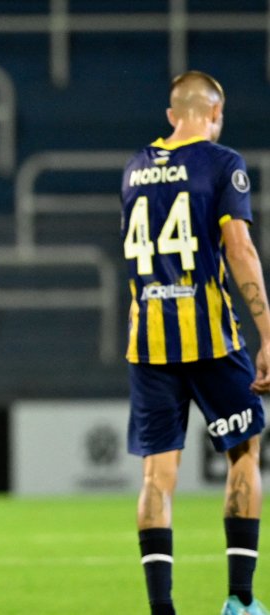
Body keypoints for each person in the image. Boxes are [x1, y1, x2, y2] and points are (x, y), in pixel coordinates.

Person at [121, 71, 269, 615]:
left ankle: (163, 610)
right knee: (244, 450)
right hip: (208, 338)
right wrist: (269, 334)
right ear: (214, 115)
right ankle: (241, 600)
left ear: (170, 115)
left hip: (149, 344)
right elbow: (240, 248)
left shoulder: (135, 169)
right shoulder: (221, 161)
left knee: (158, 477)